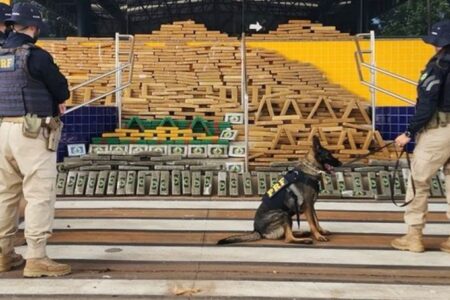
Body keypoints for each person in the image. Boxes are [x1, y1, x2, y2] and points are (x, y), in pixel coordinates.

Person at [0, 3, 71, 277]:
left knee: (6, 194)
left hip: (3, 130)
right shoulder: (36, 56)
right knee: (39, 193)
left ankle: (4, 255)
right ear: (33, 27)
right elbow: (61, 88)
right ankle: (37, 258)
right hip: (30, 132)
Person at [392, 20, 450, 253]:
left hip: (439, 132)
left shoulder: (438, 67)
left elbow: (426, 107)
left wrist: (408, 133)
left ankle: (414, 236)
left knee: (418, 182)